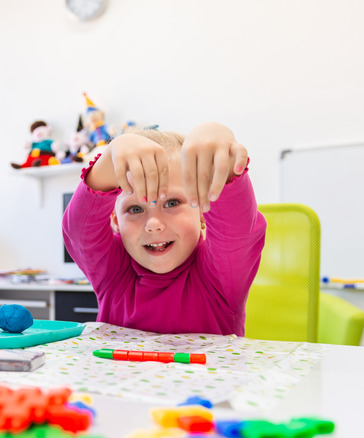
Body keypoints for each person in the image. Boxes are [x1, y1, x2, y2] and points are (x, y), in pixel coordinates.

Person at [62, 123, 266, 336]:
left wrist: (220, 149)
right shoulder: (113, 272)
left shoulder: (220, 276)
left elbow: (236, 229)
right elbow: (79, 231)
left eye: (171, 203)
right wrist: (109, 158)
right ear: (115, 220)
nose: (153, 224)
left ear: (202, 211)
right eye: (135, 208)